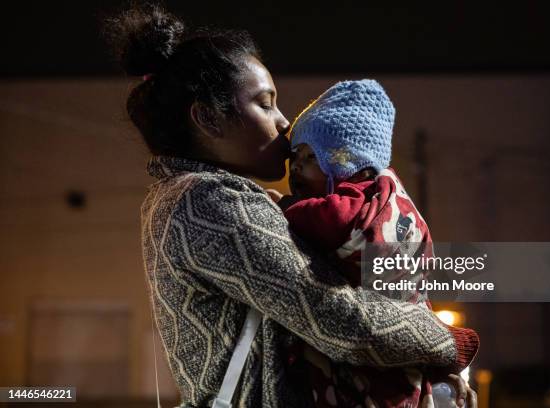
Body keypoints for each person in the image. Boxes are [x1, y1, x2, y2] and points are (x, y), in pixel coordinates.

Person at [104, 4, 478, 407]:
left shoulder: (179, 199)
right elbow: (336, 316)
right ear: (209, 119)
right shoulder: (207, 201)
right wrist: (448, 343)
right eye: (265, 104)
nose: (284, 122)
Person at [273, 79, 479, 407]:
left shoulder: (359, 197)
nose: (296, 165)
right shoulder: (375, 193)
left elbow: (335, 219)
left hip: (381, 350)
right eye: (296, 155)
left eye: (311, 156)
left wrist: (284, 209)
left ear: (342, 160)